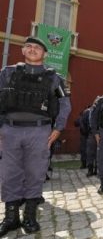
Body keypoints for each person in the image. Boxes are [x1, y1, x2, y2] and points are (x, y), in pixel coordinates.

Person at [0, 37, 71, 236]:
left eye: (37, 47)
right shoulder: (8, 73)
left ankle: (29, 216)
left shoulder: (54, 78)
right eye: (28, 46)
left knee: (35, 172)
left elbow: (65, 103)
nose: (32, 49)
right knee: (9, 173)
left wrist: (58, 128)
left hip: (39, 131)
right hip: (10, 130)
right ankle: (11, 217)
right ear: (22, 50)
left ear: (45, 54)